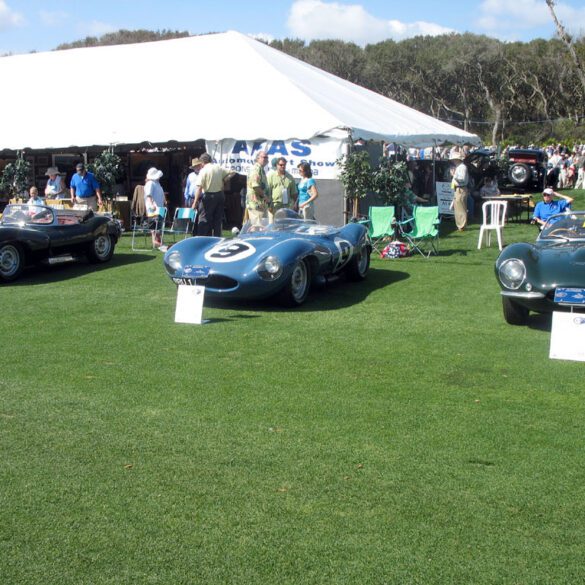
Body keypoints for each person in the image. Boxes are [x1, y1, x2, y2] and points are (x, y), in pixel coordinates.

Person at [194, 153, 231, 237]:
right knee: (217, 219)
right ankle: (217, 238)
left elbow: (199, 188)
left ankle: (202, 237)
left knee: (204, 218)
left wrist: (195, 202)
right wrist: (224, 180)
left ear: (202, 162)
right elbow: (232, 172)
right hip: (220, 196)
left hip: (209, 196)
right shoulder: (218, 167)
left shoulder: (203, 171)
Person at [267, 157, 298, 221]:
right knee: (273, 227)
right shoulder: (271, 176)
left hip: (286, 207)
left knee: (284, 226)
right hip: (274, 206)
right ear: (277, 165)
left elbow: (294, 193)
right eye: (281, 165)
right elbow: (268, 191)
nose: (283, 166)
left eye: (284, 165)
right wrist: (269, 205)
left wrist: (295, 205)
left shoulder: (290, 177)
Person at [246, 151, 271, 225]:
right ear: (258, 158)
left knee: (262, 228)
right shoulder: (256, 169)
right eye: (264, 157)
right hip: (256, 205)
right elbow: (255, 186)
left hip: (261, 205)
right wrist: (265, 197)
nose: (266, 159)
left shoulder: (261, 169)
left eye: (267, 157)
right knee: (257, 228)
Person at [144, 167, 165, 247]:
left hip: (160, 209)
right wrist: (152, 205)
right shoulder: (150, 183)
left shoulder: (157, 183)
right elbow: (148, 196)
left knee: (158, 227)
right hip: (153, 210)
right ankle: (156, 243)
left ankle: (159, 242)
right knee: (154, 228)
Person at [450, 152, 469, 231]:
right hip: (457, 188)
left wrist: (454, 175)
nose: (453, 161)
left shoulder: (462, 167)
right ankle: (460, 225)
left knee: (461, 208)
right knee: (457, 208)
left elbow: (462, 178)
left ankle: (462, 225)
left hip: (461, 188)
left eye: (454, 159)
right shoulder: (459, 167)